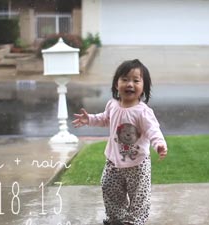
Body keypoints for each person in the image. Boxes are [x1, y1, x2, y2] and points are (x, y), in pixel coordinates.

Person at [72, 59, 168, 225]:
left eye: (136, 80)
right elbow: (104, 119)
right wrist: (90, 119)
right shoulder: (113, 105)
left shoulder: (143, 112)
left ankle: (134, 221)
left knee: (139, 197)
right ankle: (117, 218)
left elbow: (153, 130)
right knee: (109, 187)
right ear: (116, 84)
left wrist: (159, 144)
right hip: (114, 161)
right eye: (125, 79)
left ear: (143, 88)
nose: (130, 84)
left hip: (137, 164)